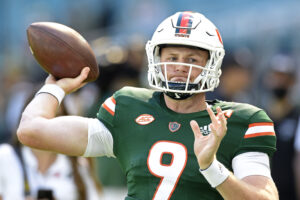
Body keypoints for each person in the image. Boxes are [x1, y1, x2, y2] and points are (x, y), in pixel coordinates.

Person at [17, 11, 278, 200]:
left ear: (211, 64)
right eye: (172, 57)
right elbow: (31, 130)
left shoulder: (240, 121)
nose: (179, 66)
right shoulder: (128, 108)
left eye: (191, 58)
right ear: (156, 60)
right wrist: (55, 86)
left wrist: (212, 167)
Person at [0, 92, 102, 200]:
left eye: (57, 117)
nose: (49, 125)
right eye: (42, 118)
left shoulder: (78, 162)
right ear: (25, 119)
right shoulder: (5, 157)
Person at [261, 54, 300, 200]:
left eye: (284, 77)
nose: (279, 82)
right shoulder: (258, 117)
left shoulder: (297, 117)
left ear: (292, 81)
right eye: (275, 76)